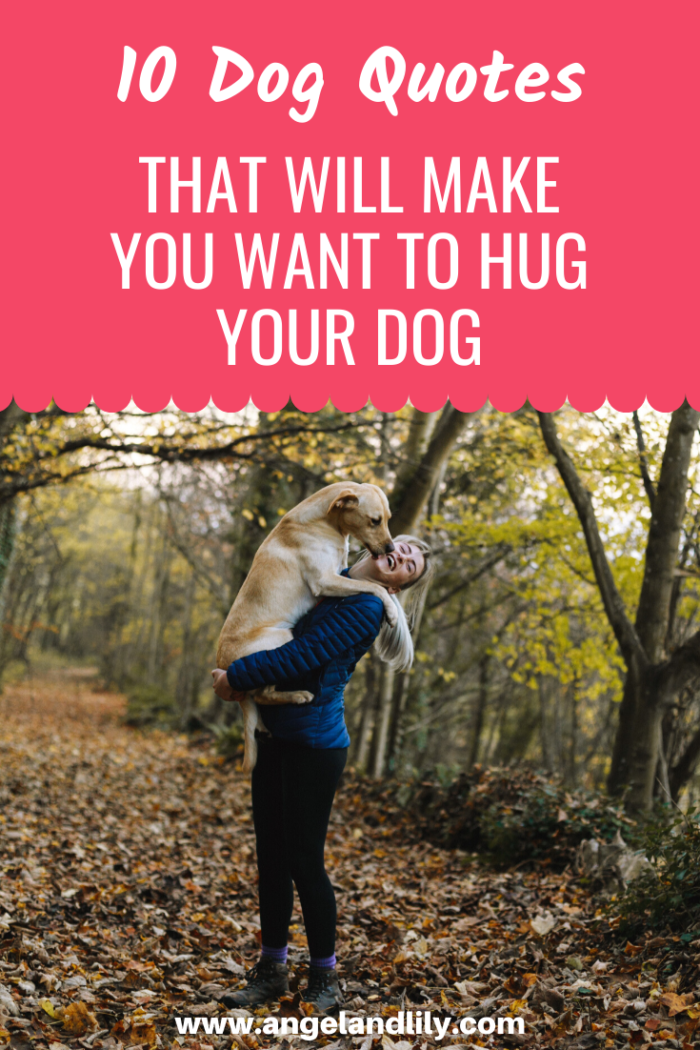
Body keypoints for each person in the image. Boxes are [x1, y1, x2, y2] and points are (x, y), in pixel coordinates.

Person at [211, 535, 432, 1014]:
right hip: (273, 735)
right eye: (404, 546)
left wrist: (236, 678)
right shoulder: (329, 582)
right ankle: (271, 971)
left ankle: (325, 979)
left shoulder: (366, 610)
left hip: (315, 746)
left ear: (398, 587)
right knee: (270, 856)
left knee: (303, 860)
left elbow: (302, 658)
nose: (401, 555)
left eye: (409, 565)